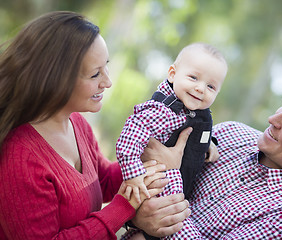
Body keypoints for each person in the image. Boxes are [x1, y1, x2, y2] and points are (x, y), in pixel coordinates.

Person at [0, 11, 190, 240]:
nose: (107, 82)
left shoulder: (76, 123)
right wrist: (123, 209)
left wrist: (154, 160)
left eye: (106, 67)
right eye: (94, 74)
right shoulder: (19, 159)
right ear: (55, 78)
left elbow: (104, 180)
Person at [125, 74, 282, 239]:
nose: (273, 119)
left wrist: (169, 174)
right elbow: (135, 173)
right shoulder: (230, 134)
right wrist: (136, 217)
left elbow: (163, 167)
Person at [116, 42, 228, 204]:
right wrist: (133, 175)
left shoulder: (195, 112)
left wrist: (206, 143)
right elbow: (131, 135)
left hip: (182, 186)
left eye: (210, 86)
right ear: (173, 74)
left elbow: (191, 130)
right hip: (154, 187)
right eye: (193, 78)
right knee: (175, 217)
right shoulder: (165, 110)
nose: (201, 88)